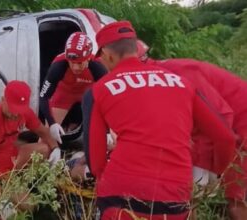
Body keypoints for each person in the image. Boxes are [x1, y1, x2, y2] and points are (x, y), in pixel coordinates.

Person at [82, 21, 236, 219]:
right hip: (174, 196)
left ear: (107, 55)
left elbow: (96, 161)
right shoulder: (181, 82)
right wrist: (218, 173)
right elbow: (226, 138)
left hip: (120, 194)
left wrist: (102, 181)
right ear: (135, 50)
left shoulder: (99, 89)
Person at [137, 41, 247, 220]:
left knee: (236, 203)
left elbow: (223, 122)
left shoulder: (179, 75)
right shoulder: (155, 78)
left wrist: (215, 167)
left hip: (239, 127)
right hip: (222, 131)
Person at [0, 80, 59, 197]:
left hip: (12, 154)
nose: (16, 114)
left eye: (20, 110)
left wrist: (56, 148)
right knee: (29, 205)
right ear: (3, 100)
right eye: (13, 109)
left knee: (45, 150)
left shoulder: (23, 112)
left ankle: (25, 180)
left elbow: (42, 131)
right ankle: (4, 187)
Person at [39, 32, 108, 144]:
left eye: (80, 63)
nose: (75, 67)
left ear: (88, 58)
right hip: (64, 94)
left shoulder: (98, 67)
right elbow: (43, 97)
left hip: (88, 95)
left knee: (112, 137)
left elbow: (109, 100)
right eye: (72, 62)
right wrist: (52, 124)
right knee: (45, 138)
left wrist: (108, 130)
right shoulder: (59, 66)